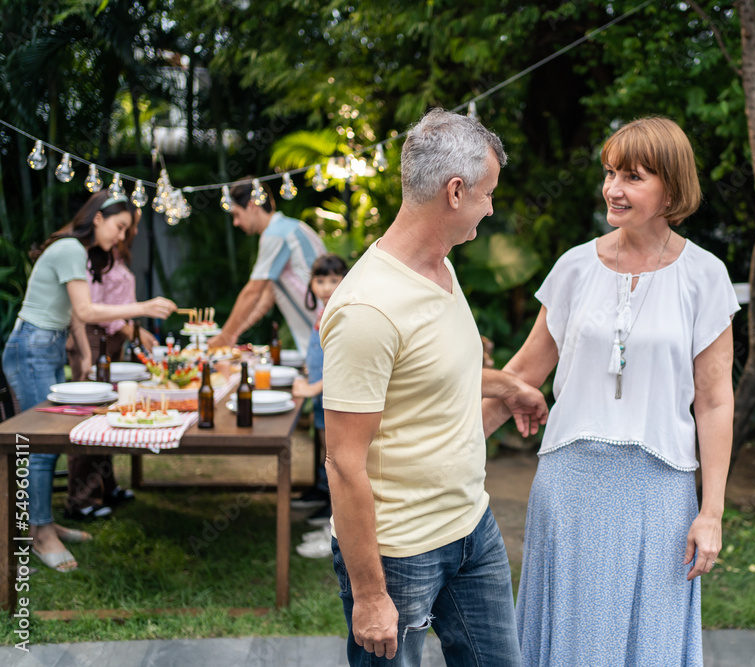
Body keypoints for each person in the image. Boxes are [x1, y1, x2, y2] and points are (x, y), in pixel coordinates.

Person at [483, 117, 739, 665]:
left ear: (671, 187)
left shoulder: (705, 276)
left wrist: (711, 511)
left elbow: (715, 400)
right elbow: (523, 373)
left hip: (660, 491)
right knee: (572, 641)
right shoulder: (574, 268)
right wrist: (449, 444)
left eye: (633, 177)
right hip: (570, 485)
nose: (613, 189)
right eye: (609, 173)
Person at [321, 108, 548, 666]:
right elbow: (344, 462)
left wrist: (506, 387)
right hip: (399, 555)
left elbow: (430, 373)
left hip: (473, 528)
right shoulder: (367, 309)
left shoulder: (441, 268)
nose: (491, 207)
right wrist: (371, 596)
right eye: (488, 193)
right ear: (454, 191)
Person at [2, 190, 176, 572]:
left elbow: (75, 316)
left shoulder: (75, 253)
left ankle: (44, 523)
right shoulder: (68, 248)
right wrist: (143, 308)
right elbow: (85, 308)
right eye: (119, 227)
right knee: (41, 444)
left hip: (44, 348)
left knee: (49, 442)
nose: (120, 237)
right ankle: (39, 535)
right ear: (97, 218)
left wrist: (81, 356)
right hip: (30, 347)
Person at [64, 208, 158, 521]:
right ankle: (80, 499)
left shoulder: (115, 250)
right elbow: (94, 308)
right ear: (100, 218)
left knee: (107, 414)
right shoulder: (86, 254)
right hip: (92, 339)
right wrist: (136, 328)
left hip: (113, 339)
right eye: (123, 224)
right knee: (90, 416)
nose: (126, 231)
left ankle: (105, 485)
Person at [206, 179, 326, 354]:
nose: (236, 223)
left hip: (322, 334)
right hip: (324, 331)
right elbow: (266, 299)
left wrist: (224, 337)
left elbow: (252, 292)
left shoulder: (275, 234)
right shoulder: (293, 226)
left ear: (252, 206)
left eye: (236, 215)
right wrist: (234, 334)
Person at [291, 253, 349, 554]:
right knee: (331, 461)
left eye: (333, 280)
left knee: (338, 463)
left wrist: (312, 387)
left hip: (334, 402)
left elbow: (342, 364)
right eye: (320, 280)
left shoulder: (340, 313)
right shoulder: (323, 312)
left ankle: (336, 531)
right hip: (321, 402)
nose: (326, 287)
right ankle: (330, 516)